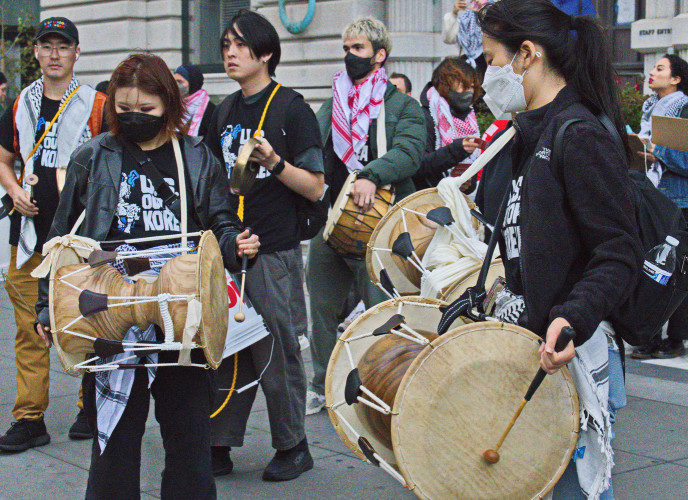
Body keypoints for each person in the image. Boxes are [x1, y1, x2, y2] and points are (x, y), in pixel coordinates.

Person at [34, 52, 259, 498]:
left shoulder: (196, 155)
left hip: (182, 308)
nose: (134, 117)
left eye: (146, 109)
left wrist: (234, 243)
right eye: (123, 109)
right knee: (114, 442)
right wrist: (48, 307)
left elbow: (219, 221)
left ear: (169, 106)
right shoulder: (92, 155)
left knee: (189, 439)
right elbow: (61, 240)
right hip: (107, 307)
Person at [475, 1, 643, 497]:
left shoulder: (579, 134)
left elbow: (619, 251)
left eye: (491, 60)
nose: (485, 77)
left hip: (573, 357)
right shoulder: (529, 135)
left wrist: (572, 315)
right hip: (534, 361)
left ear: (527, 55)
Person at [204, 9, 324, 481]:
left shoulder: (292, 109)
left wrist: (274, 162)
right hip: (231, 248)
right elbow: (212, 181)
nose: (230, 53)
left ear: (267, 53)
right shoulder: (222, 111)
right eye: (225, 45)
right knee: (225, 348)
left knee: (277, 351)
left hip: (273, 250)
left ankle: (294, 445)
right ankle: (218, 444)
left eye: (240, 44)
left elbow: (315, 186)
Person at [306, 17, 426, 415]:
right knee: (321, 308)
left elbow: (410, 152)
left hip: (381, 223)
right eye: (346, 48)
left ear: (379, 54)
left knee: (379, 312)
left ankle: (378, 385)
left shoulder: (404, 106)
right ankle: (322, 384)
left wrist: (371, 174)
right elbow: (310, 149)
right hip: (333, 218)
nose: (349, 56)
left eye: (358, 48)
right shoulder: (334, 103)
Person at [0, 16, 107, 452]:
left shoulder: (96, 104)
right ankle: (30, 418)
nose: (54, 54)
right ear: (36, 53)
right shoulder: (20, 103)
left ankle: (90, 405)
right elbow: (4, 158)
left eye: (63, 46)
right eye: (47, 46)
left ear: (77, 52)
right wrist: (13, 191)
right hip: (29, 235)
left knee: (88, 320)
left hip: (79, 240)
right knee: (29, 329)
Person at [630, 54, 688, 360]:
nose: (652, 72)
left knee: (675, 270)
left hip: (679, 202)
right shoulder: (650, 108)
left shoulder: (683, 108)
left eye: (660, 68)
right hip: (653, 198)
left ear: (676, 79)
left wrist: (657, 151)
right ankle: (648, 336)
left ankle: (674, 339)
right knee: (652, 267)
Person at [414, 56, 482, 190]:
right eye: (462, 85)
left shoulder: (469, 121)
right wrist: (458, 149)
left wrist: (467, 183)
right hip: (425, 197)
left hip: (451, 198)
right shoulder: (422, 117)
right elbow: (417, 166)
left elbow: (472, 171)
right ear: (444, 85)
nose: (468, 92)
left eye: (471, 87)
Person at [174, 64, 216, 137]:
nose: (175, 85)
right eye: (173, 81)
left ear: (192, 84)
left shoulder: (210, 111)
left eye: (180, 82)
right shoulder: (171, 106)